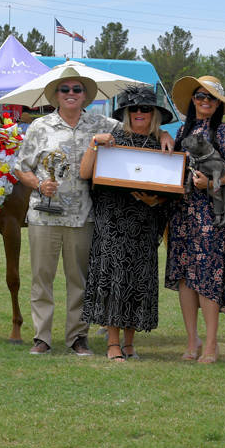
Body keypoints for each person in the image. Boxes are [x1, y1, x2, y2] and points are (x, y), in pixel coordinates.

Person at [15, 73, 172, 356]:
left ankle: (77, 337)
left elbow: (137, 126)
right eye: (65, 89)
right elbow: (20, 167)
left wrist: (163, 133)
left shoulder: (102, 124)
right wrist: (38, 184)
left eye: (76, 89)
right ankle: (42, 337)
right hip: (44, 215)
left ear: (85, 95)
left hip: (83, 215)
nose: (71, 93)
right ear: (57, 95)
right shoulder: (39, 126)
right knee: (42, 279)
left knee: (80, 280)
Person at [80, 86, 173, 360]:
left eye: (145, 108)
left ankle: (130, 343)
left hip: (144, 223)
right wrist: (94, 143)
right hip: (113, 221)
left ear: (154, 113)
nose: (139, 113)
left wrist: (156, 201)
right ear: (126, 113)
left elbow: (171, 187)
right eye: (134, 109)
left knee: (138, 281)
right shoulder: (112, 138)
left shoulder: (163, 144)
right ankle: (112, 343)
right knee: (114, 279)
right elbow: (85, 172)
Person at [165, 75, 225, 364]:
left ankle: (211, 344)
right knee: (185, 278)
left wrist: (213, 183)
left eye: (210, 98)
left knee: (209, 279)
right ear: (192, 100)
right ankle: (192, 341)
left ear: (218, 104)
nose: (204, 102)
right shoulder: (179, 132)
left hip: (211, 215)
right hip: (182, 214)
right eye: (200, 96)